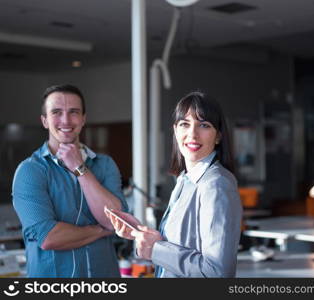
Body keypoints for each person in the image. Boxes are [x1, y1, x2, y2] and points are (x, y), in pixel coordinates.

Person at [106, 91, 242, 277]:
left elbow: (216, 273)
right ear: (175, 130)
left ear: (218, 136)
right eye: (185, 124)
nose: (192, 134)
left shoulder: (216, 184)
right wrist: (140, 235)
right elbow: (181, 247)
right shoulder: (185, 179)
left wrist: (155, 249)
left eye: (204, 125)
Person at [12, 84, 127, 277]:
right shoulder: (30, 171)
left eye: (73, 112)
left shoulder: (105, 164)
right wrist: (100, 230)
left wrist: (80, 169)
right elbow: (49, 237)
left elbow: (116, 222)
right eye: (56, 112)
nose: (65, 120)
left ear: (83, 119)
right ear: (45, 121)